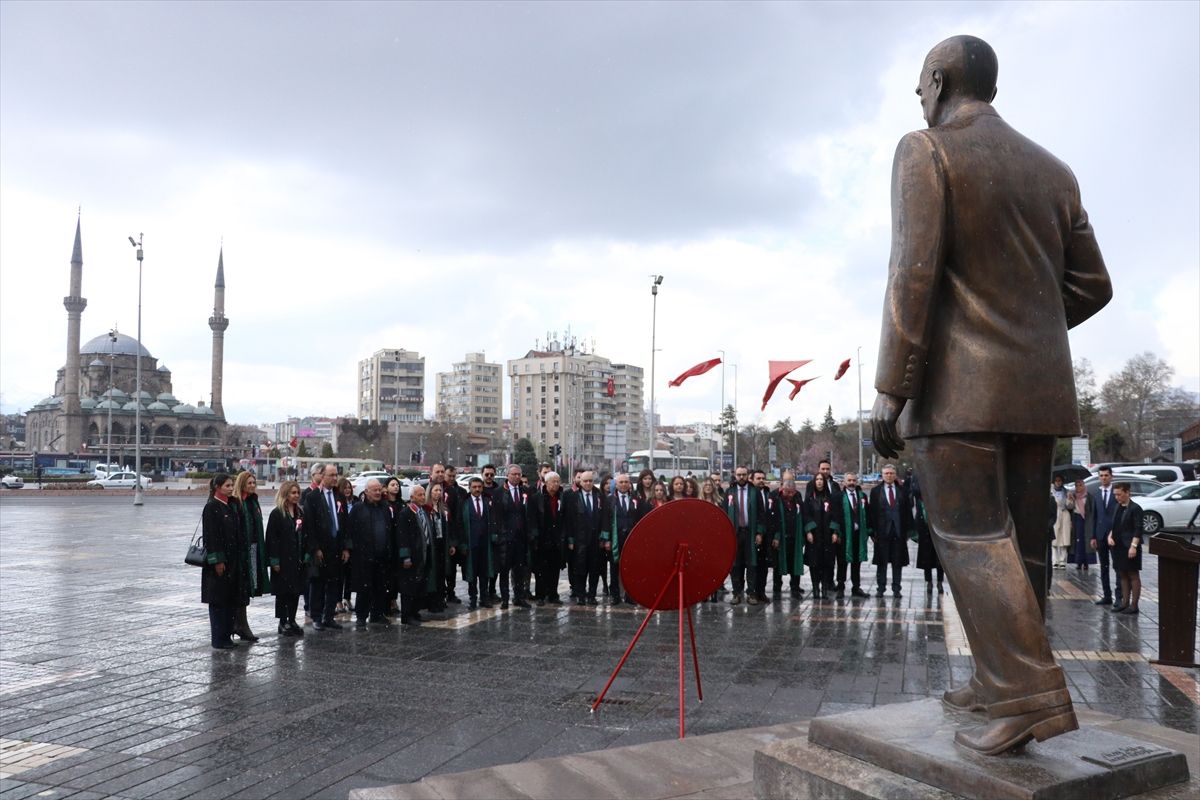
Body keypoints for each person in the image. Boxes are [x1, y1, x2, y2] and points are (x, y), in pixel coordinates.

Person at [869, 35, 1111, 753]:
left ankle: (1029, 697)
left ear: (940, 81)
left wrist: (892, 388)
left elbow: (911, 276)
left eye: (921, 85)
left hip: (959, 396)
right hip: (1036, 394)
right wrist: (1029, 332)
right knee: (1024, 546)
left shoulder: (926, 151)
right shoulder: (1055, 170)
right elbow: (1093, 284)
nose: (919, 98)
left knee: (974, 541)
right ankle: (998, 677)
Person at [201, 473, 247, 649]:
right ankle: (219, 638)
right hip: (219, 565)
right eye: (227, 485)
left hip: (233, 561)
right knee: (219, 601)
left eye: (231, 485)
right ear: (218, 487)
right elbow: (211, 537)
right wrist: (217, 560)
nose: (230, 488)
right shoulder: (212, 507)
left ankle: (226, 635)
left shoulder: (231, 506)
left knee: (230, 599)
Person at [302, 464, 349, 630]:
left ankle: (329, 615)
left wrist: (345, 547)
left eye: (336, 475)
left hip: (336, 547)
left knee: (334, 583)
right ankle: (316, 616)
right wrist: (315, 548)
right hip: (321, 547)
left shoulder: (339, 496)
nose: (335, 478)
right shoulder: (312, 497)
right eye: (331, 475)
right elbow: (309, 525)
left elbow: (344, 523)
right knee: (318, 583)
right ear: (322, 476)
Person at [345, 479, 394, 630]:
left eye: (379, 490)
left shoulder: (385, 507)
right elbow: (349, 531)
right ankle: (361, 618)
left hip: (381, 556)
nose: (378, 493)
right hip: (363, 557)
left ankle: (377, 614)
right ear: (366, 492)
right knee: (364, 589)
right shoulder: (358, 509)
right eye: (375, 490)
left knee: (380, 587)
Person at [232, 471, 269, 641]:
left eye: (254, 482)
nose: (253, 485)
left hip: (253, 549)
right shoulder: (238, 503)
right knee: (241, 587)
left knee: (248, 586)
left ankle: (240, 623)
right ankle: (239, 624)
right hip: (241, 553)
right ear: (242, 484)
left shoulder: (254, 502)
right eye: (249, 483)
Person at [265, 479, 306, 636]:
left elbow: (305, 534)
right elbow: (271, 538)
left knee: (295, 591)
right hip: (282, 560)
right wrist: (274, 560)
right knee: (283, 592)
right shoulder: (277, 513)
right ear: (286, 494)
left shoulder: (300, 513)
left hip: (297, 560)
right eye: (293, 493)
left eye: (298, 493)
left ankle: (292, 619)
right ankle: (283, 621)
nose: (296, 496)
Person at [724, 466, 766, 605]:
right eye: (738, 475)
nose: (741, 477)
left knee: (752, 564)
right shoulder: (730, 491)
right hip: (734, 533)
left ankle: (751, 593)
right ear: (735, 475)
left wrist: (760, 532)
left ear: (748, 475)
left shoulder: (755, 492)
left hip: (750, 532)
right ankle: (736, 593)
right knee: (735, 565)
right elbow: (724, 512)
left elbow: (761, 514)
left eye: (743, 474)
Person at [494, 464, 533, 609]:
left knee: (519, 570)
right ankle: (505, 598)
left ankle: (519, 597)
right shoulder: (499, 493)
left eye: (519, 474)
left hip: (521, 538)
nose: (517, 477)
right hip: (505, 538)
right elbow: (496, 516)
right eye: (514, 474)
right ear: (508, 475)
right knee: (504, 570)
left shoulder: (526, 491)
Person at [868, 465, 910, 598]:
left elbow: (908, 511)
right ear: (882, 475)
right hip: (881, 533)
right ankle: (881, 588)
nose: (889, 475)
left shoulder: (903, 491)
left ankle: (896, 588)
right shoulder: (875, 491)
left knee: (897, 562)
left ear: (895, 475)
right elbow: (871, 513)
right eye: (886, 473)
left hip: (898, 532)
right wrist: (872, 532)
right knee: (882, 562)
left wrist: (908, 532)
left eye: (892, 473)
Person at [602, 473, 643, 605]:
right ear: (616, 485)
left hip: (631, 538)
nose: (624, 484)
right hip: (615, 538)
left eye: (626, 482)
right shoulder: (609, 500)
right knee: (614, 568)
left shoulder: (636, 499)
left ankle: (629, 595)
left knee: (629, 568)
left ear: (630, 484)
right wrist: (606, 540)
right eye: (621, 482)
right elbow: (606, 521)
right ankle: (615, 595)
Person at [565, 470, 605, 605]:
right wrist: (570, 540)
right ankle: (581, 595)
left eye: (590, 481)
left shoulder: (599, 496)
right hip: (579, 540)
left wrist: (603, 537)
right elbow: (569, 520)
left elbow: (604, 518)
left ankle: (592, 595)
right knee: (580, 569)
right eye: (585, 481)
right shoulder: (573, 497)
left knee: (594, 569)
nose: (588, 483)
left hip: (595, 540)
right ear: (580, 482)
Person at [458, 477, 496, 610]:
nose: (477, 489)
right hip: (471, 544)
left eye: (479, 487)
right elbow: (460, 526)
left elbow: (493, 521)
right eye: (474, 487)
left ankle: (484, 598)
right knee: (472, 574)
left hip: (485, 545)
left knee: (484, 573)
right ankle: (472, 599)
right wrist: (462, 544)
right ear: (469, 488)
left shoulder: (487, 502)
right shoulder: (465, 504)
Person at [395, 485, 431, 625]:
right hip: (412, 556)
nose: (423, 497)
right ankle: (407, 615)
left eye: (423, 494)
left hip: (423, 554)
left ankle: (415, 612)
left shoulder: (422, 511)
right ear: (412, 497)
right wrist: (406, 556)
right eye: (419, 495)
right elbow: (402, 537)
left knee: (419, 584)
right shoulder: (406, 513)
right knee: (408, 586)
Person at [1107, 483, 1144, 614]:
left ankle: (1134, 605)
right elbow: (1115, 524)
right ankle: (1124, 602)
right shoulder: (1118, 506)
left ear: (1127, 492)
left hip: (1129, 545)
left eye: (1119, 494)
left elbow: (1138, 529)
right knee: (1122, 573)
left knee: (1133, 574)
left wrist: (1133, 546)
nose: (1117, 497)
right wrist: (1110, 535)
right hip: (1118, 546)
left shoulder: (1135, 508)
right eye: (1115, 495)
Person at [803, 473, 840, 599]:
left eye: (821, 480)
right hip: (814, 536)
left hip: (827, 536)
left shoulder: (830, 499)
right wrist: (808, 530)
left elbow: (836, 516)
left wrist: (835, 532)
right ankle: (815, 589)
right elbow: (806, 515)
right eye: (817, 479)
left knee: (826, 563)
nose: (819, 482)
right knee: (814, 563)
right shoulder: (809, 499)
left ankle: (824, 589)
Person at [532, 471, 566, 605]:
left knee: (555, 569)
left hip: (557, 540)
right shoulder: (537, 498)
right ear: (546, 483)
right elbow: (533, 518)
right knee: (541, 570)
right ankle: (540, 595)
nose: (556, 484)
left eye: (558, 481)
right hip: (542, 539)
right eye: (553, 481)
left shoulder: (562, 497)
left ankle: (553, 594)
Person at [908, 471, 942, 595]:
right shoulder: (918, 476)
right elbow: (914, 492)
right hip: (923, 524)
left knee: (939, 557)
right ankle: (929, 581)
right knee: (925, 556)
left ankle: (939, 581)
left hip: (938, 524)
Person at [771, 478, 805, 599]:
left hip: (794, 537)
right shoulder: (775, 498)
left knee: (795, 563)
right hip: (781, 537)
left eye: (791, 492)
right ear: (782, 489)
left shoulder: (798, 500)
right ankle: (776, 587)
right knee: (778, 564)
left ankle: (795, 588)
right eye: (787, 492)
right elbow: (773, 518)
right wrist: (776, 535)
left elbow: (803, 516)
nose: (789, 495)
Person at [840, 472, 872, 599]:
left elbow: (868, 515)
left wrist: (869, 531)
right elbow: (836, 516)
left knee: (856, 562)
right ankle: (841, 587)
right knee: (842, 562)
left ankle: (856, 587)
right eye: (849, 480)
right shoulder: (839, 497)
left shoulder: (862, 496)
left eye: (854, 480)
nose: (852, 483)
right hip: (844, 535)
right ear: (844, 482)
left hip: (858, 535)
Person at [1089, 467, 1119, 605]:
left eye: (1106, 475)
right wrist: (1093, 536)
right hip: (1100, 535)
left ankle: (1119, 597)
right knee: (1104, 566)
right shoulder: (1095, 494)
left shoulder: (1117, 493)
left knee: (1117, 566)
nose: (1104, 478)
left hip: (1114, 535)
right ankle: (1107, 595)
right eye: (1101, 475)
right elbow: (1094, 517)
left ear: (1111, 476)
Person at [425, 482, 452, 613]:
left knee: (441, 573)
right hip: (432, 545)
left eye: (440, 490)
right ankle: (432, 602)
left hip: (442, 544)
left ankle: (441, 599)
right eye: (435, 490)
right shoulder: (426, 509)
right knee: (433, 574)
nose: (438, 493)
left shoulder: (443, 509)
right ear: (430, 492)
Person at [750, 469, 776, 603]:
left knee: (764, 566)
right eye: (758, 478)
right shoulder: (751, 494)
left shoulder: (768, 494)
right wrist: (758, 532)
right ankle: (753, 591)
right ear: (752, 480)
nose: (761, 481)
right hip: (755, 534)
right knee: (754, 565)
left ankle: (762, 591)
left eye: (762, 478)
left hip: (768, 534)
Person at [335, 477, 356, 614]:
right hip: (341, 543)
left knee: (350, 573)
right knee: (339, 574)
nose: (347, 490)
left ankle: (347, 597)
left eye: (349, 487)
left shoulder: (356, 502)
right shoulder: (338, 503)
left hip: (354, 543)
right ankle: (337, 600)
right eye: (345, 487)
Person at [1066, 479, 1097, 571]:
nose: (1078, 487)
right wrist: (1070, 499)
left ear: (1084, 485)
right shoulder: (1073, 496)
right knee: (1077, 542)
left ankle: (1086, 562)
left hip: (1087, 521)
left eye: (1080, 485)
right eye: (1076, 485)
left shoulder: (1089, 496)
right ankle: (1078, 562)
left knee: (1086, 541)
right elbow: (1069, 507)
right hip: (1077, 520)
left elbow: (1092, 510)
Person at [1050, 476, 1072, 568]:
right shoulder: (1051, 491)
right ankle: (1055, 560)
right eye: (1056, 481)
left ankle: (1062, 560)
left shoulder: (1066, 491)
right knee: (1054, 538)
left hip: (1065, 515)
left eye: (1060, 481)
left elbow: (1070, 506)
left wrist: (1069, 499)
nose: (1058, 482)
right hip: (1055, 514)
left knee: (1064, 538)